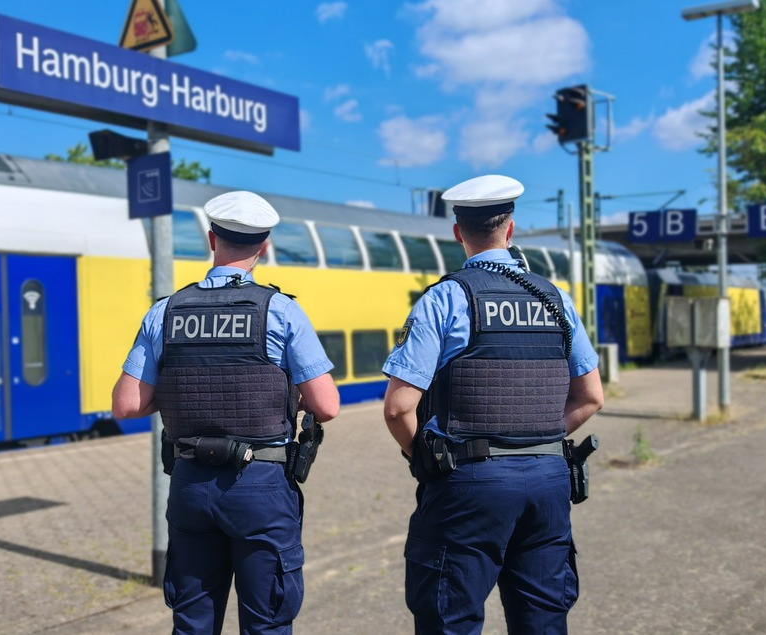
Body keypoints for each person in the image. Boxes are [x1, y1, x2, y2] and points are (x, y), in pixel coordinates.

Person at [382, 175, 604, 635]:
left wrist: (424, 458)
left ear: (458, 232)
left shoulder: (445, 298)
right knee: (543, 621)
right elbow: (591, 396)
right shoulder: (555, 298)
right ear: (511, 229)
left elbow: (398, 408)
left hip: (468, 481)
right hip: (548, 482)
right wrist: (537, 434)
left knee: (451, 619)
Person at [112, 190, 340, 635]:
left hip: (190, 483)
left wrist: (180, 385)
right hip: (261, 486)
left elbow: (127, 405)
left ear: (211, 239)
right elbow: (326, 405)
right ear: (265, 245)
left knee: (193, 622)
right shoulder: (281, 310)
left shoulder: (166, 311)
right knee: (267, 622)